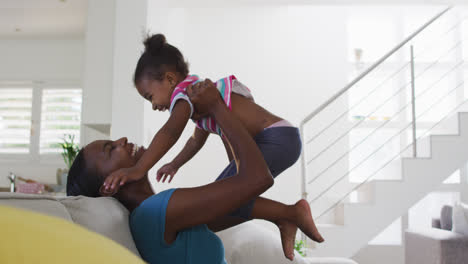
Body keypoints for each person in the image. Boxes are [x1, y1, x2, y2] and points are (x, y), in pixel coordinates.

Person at [67, 80, 323, 263]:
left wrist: (282, 214)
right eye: (111, 149)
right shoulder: (155, 213)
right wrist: (217, 108)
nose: (122, 140)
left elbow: (236, 200)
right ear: (108, 185)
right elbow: (257, 178)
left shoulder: (158, 214)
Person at [103, 33, 315, 234]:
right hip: (277, 139)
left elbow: (171, 130)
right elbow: (195, 141)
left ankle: (290, 214)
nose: (153, 106)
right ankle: (287, 216)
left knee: (219, 199)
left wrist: (139, 168)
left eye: (150, 97)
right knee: (221, 199)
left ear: (169, 79)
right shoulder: (197, 99)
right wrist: (175, 164)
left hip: (275, 139)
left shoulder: (184, 94)